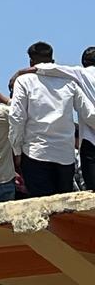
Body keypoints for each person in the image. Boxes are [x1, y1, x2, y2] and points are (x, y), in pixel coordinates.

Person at [9, 41, 95, 197]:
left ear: (31, 61)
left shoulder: (24, 81)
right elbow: (89, 114)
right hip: (65, 157)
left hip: (36, 153)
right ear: (53, 59)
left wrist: (16, 150)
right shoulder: (69, 82)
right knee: (63, 211)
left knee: (42, 209)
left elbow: (17, 118)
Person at [33, 47, 95, 190]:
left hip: (90, 141)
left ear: (84, 62)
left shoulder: (82, 73)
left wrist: (28, 70)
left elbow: (54, 69)